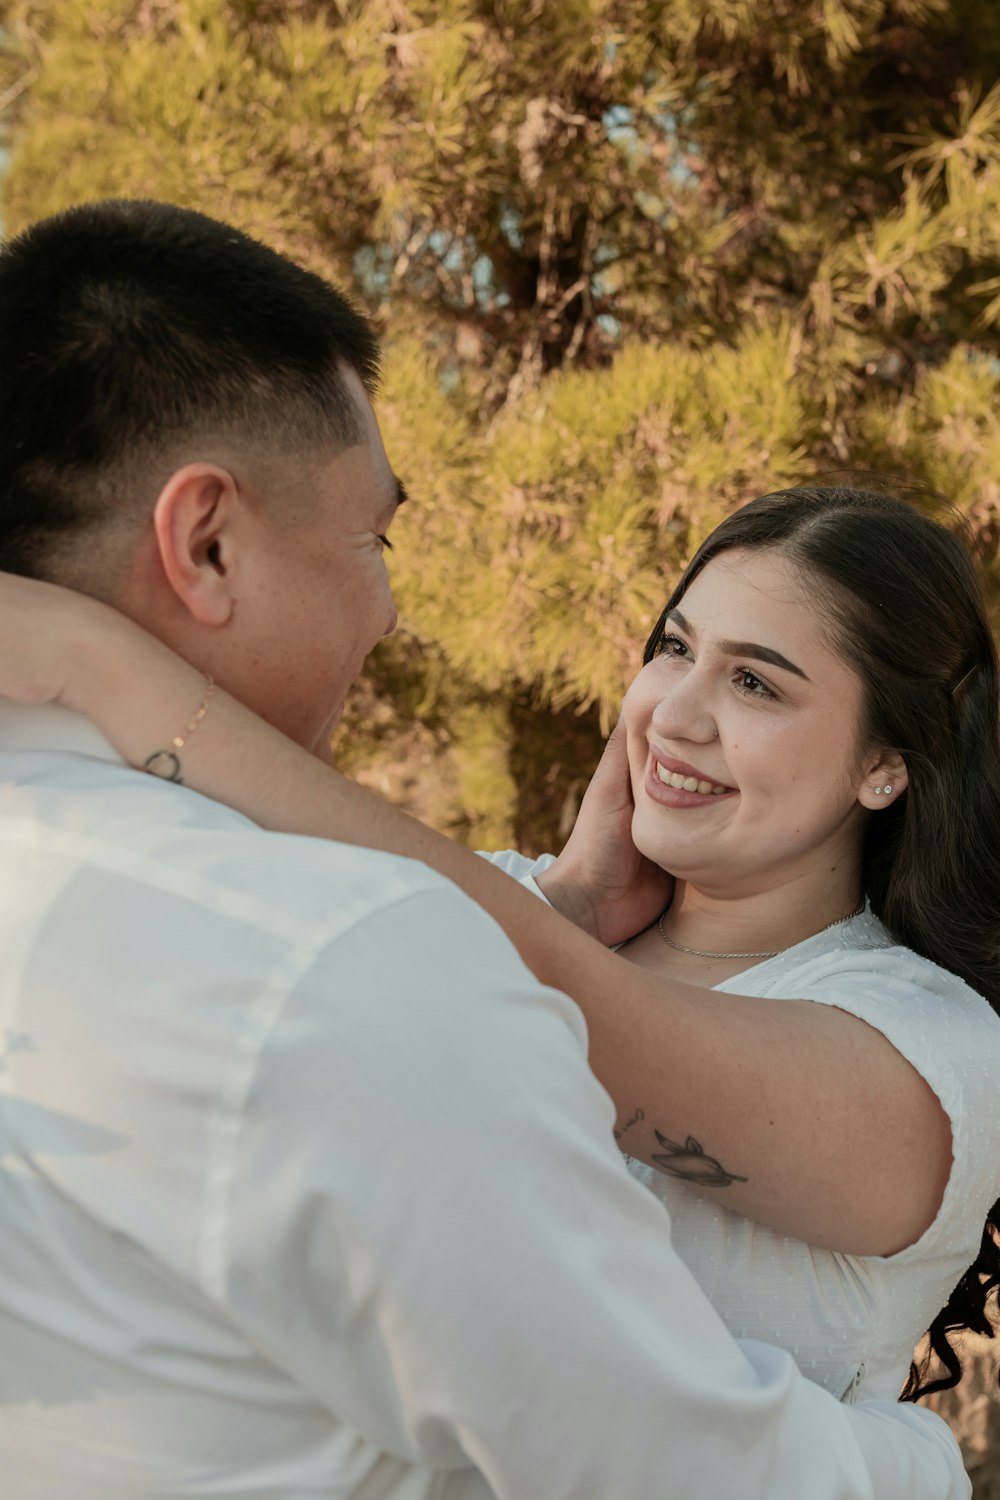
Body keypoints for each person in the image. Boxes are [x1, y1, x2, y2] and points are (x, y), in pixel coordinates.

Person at [0, 197, 976, 1499]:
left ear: (887, 762)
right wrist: (564, 895)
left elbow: (567, 1012)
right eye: (672, 651)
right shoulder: (473, 918)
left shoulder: (932, 1046)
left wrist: (114, 668)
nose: (675, 713)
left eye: (759, 683)